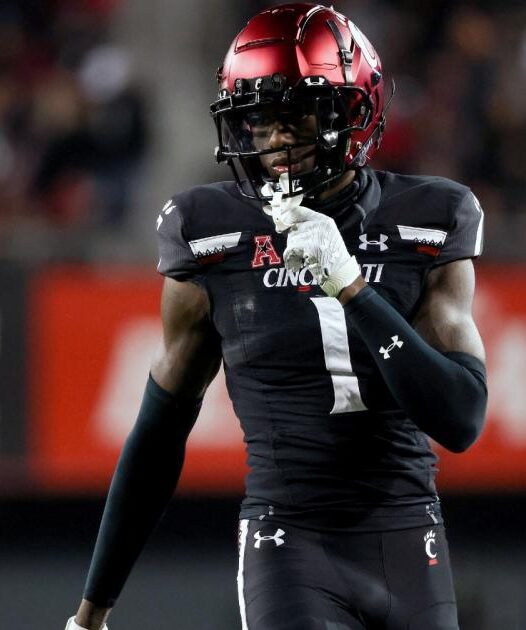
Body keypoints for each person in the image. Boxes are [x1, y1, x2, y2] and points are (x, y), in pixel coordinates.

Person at [64, 3, 487, 629]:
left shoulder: (428, 217)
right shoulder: (209, 233)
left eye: (299, 114)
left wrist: (352, 289)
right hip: (289, 545)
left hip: (408, 537)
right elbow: (157, 436)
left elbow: (460, 418)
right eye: (259, 121)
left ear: (355, 111)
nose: (278, 139)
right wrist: (92, 609)